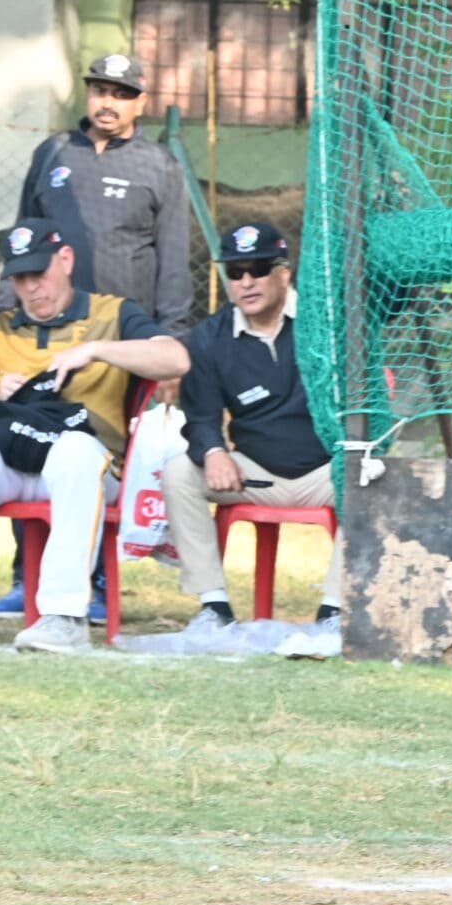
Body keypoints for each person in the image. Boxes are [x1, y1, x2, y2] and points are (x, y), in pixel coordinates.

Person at [0, 222, 190, 653]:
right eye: (21, 279)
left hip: (89, 468)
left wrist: (95, 350)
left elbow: (175, 358)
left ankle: (63, 615)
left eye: (41, 273)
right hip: (14, 462)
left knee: (73, 451)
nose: (33, 288)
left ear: (66, 261)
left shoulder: (112, 314)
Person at [0, 53, 194, 622]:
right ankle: (23, 580)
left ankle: (97, 583)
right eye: (101, 89)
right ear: (88, 94)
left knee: (100, 458)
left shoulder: (159, 166)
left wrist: (171, 348)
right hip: (45, 331)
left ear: (140, 103)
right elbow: (22, 239)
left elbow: (174, 259)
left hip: (119, 341)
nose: (109, 102)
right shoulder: (52, 154)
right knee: (24, 442)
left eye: (122, 93)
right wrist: (9, 313)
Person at [164, 222, 341, 631]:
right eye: (234, 272)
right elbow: (201, 416)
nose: (246, 282)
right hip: (255, 472)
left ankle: (335, 610)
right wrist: (214, 452)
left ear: (284, 272)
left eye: (258, 268)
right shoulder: (210, 337)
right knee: (178, 472)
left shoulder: (326, 321)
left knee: (374, 479)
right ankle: (213, 606)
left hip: (327, 470)